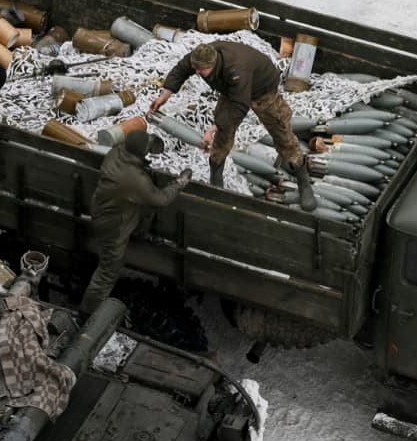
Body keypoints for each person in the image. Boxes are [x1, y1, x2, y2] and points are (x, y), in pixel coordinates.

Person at [149, 41, 316, 211]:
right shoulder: (202, 56)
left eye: (202, 70)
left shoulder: (237, 69)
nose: (198, 73)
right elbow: (182, 68)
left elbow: (239, 106)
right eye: (196, 69)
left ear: (213, 64)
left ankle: (302, 179)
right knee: (223, 135)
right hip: (233, 90)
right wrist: (166, 94)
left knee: (283, 136)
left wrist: (214, 126)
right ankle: (216, 174)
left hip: (263, 90)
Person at [80, 130, 192, 315]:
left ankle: (139, 232)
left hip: (107, 209)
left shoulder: (116, 153)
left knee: (139, 206)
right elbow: (161, 199)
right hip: (113, 227)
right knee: (107, 272)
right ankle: (86, 315)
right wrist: (180, 182)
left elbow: (137, 159)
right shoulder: (135, 180)